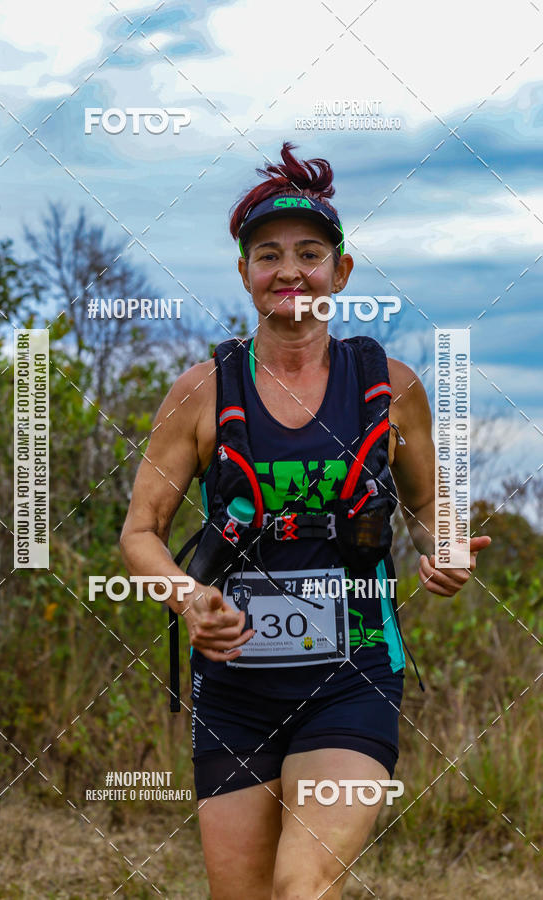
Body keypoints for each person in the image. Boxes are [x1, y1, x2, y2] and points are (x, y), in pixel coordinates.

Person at [120, 141, 491, 899]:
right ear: (245, 274)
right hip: (234, 689)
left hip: (352, 676)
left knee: (303, 885)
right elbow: (140, 533)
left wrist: (446, 550)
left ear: (341, 272)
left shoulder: (390, 386)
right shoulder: (199, 393)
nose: (290, 270)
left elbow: (427, 507)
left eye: (310, 253)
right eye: (268, 255)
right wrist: (188, 596)